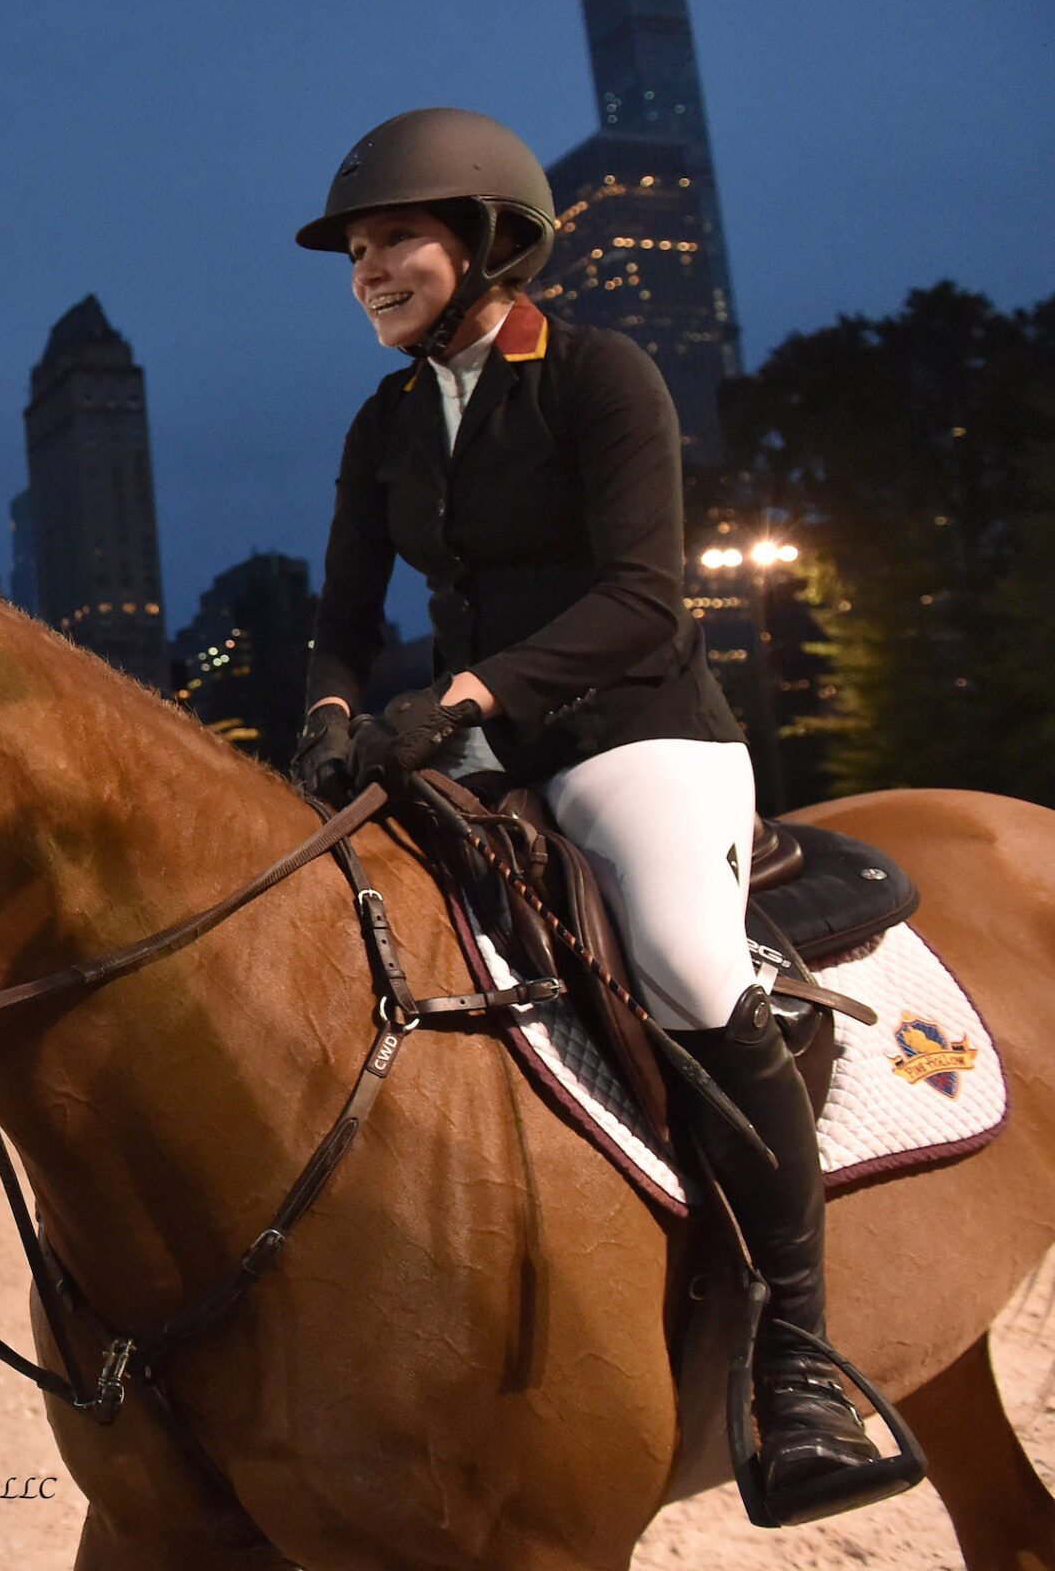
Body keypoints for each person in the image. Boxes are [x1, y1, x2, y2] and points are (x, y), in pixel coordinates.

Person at [285, 107, 879, 1510]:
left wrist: (467, 694)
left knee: (683, 962)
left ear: (487, 241)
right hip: (485, 750)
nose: (368, 271)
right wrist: (328, 717)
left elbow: (642, 598)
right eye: (356, 252)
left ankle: (799, 1360)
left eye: (394, 242)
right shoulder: (384, 424)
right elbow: (343, 618)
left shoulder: (600, 376)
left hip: (638, 734)